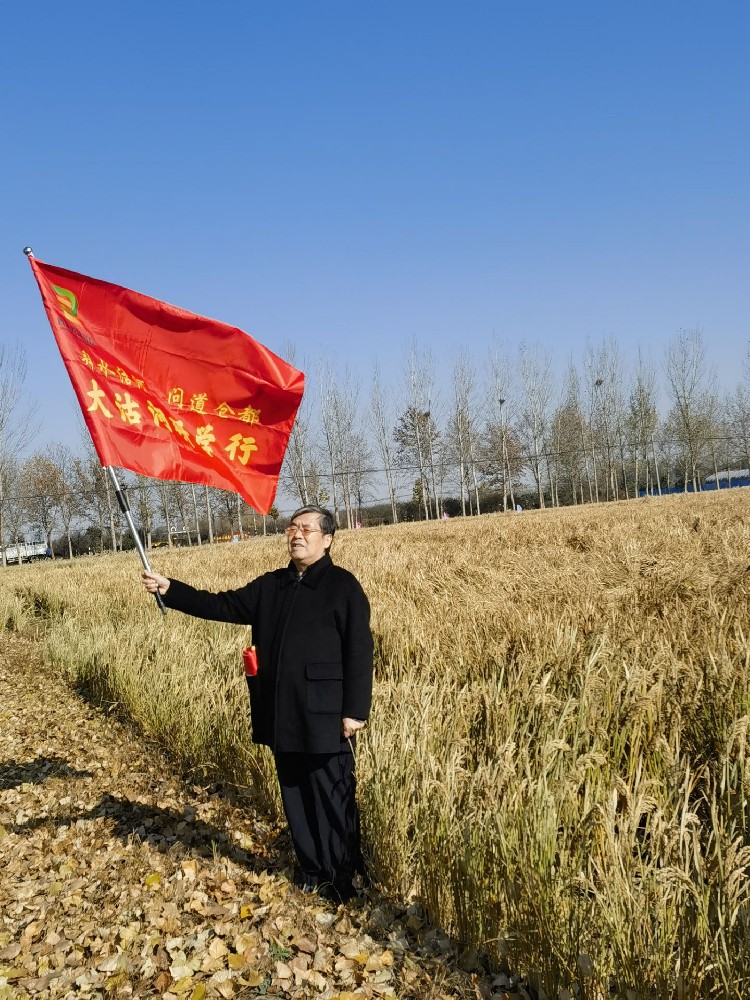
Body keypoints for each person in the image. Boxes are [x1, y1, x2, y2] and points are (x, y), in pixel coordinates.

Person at [142, 504, 373, 902]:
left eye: (307, 529)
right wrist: (170, 589)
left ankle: (342, 879)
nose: (297, 535)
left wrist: (355, 711)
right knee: (296, 796)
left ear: (328, 539)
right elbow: (221, 605)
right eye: (292, 528)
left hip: (325, 715)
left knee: (332, 797)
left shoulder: (342, 587)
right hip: (282, 715)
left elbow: (359, 651)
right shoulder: (272, 586)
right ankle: (312, 870)